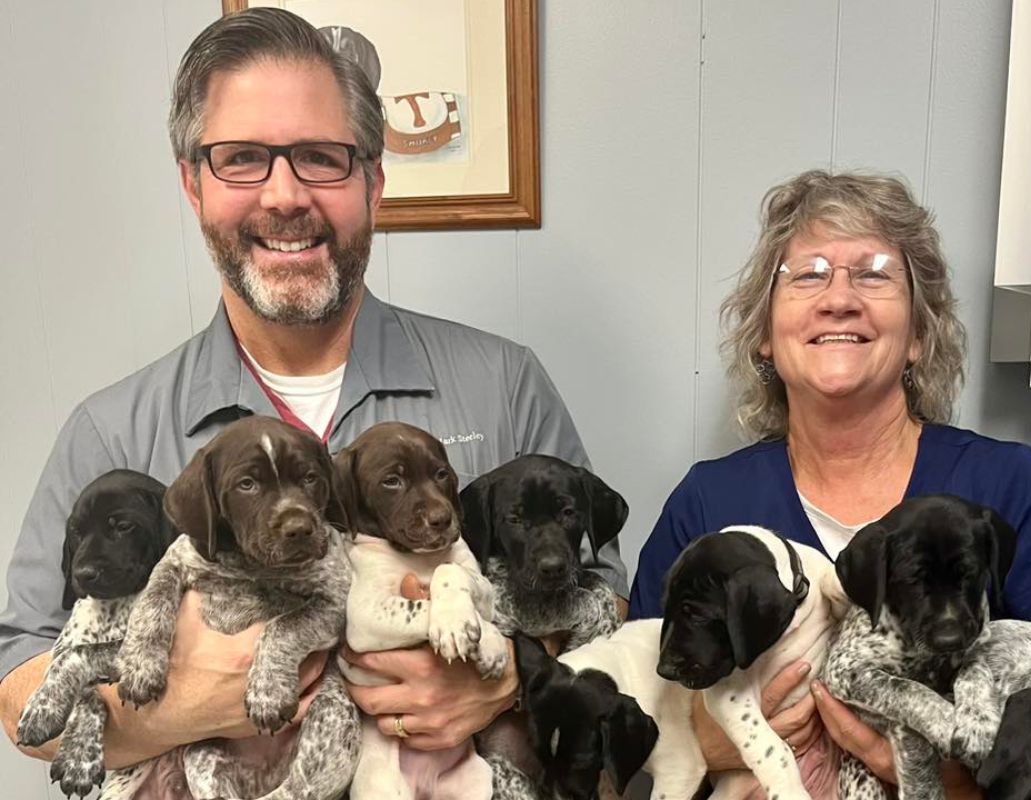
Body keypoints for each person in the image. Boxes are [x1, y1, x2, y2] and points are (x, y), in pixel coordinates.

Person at [0, 7, 626, 771]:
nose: (284, 195)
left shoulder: (502, 382)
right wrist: (182, 708)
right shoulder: (113, 431)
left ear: (373, 182)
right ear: (193, 185)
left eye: (321, 157)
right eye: (242, 158)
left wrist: (500, 685)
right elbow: (19, 680)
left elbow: (608, 605)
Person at [628, 170, 1031, 796]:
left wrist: (946, 772)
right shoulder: (711, 502)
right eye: (808, 274)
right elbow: (627, 703)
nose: (838, 298)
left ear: (920, 337)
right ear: (764, 334)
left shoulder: (998, 484)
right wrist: (713, 743)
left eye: (873, 273)